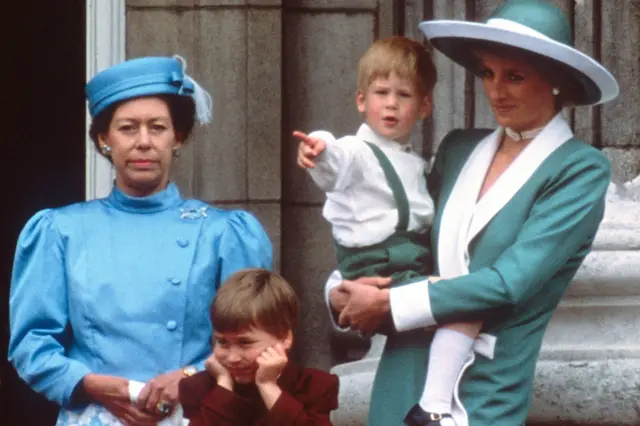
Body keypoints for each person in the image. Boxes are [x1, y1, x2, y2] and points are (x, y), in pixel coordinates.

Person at [317, 0, 619, 425]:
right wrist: (343, 290)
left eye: (514, 76)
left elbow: (509, 284)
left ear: (556, 81)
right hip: (402, 373)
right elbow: (400, 236)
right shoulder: (459, 148)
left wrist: (389, 303)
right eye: (488, 73)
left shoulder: (580, 169)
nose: (496, 90)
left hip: (484, 391)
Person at [8, 55, 273, 426]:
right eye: (128, 128)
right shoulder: (60, 230)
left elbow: (258, 339)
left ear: (177, 137)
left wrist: (189, 380)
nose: (144, 142)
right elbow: (32, 344)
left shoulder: (224, 233)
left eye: (158, 127)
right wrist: (92, 384)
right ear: (104, 138)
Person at [295, 36, 485, 426]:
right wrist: (320, 150)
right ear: (361, 100)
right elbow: (338, 161)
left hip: (402, 262)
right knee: (462, 306)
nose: (392, 104)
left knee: (456, 307)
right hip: (379, 266)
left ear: (425, 105)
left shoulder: (412, 161)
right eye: (381, 93)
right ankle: (432, 405)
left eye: (404, 94)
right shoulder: (359, 153)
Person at [178, 268, 339, 425]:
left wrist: (268, 386)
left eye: (245, 343)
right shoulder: (198, 388)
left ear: (284, 338)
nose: (232, 358)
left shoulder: (316, 386)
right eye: (222, 342)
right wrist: (223, 387)